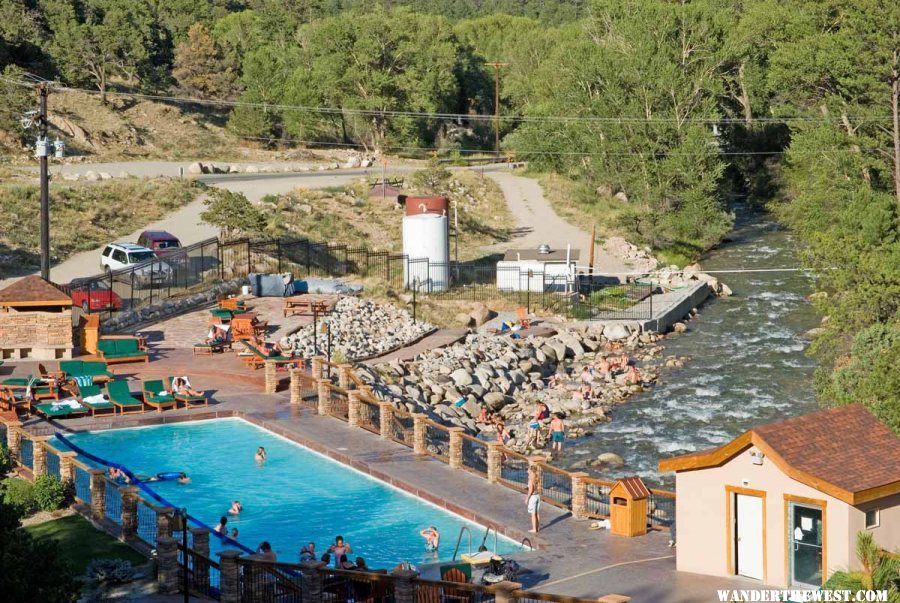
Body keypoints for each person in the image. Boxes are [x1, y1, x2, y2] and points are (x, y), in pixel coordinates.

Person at [526, 465, 540, 533]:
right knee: (537, 513)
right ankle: (537, 527)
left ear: (531, 471)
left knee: (533, 514)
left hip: (533, 497)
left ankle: (534, 529)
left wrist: (527, 498)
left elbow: (530, 490)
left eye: (528, 469)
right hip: (537, 496)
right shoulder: (536, 478)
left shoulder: (531, 480)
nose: (527, 470)